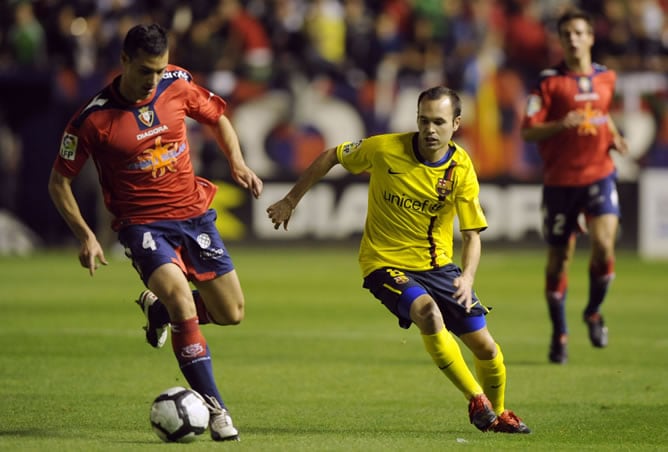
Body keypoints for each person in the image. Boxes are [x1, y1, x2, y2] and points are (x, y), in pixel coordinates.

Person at [267, 86, 530, 434]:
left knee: (486, 347)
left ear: (456, 124)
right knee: (428, 313)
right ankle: (475, 398)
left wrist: (466, 278)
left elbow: (472, 235)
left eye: (439, 122)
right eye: (424, 120)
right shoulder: (384, 148)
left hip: (438, 267)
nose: (430, 130)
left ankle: (497, 414)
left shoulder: (461, 168)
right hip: (383, 262)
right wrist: (290, 199)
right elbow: (332, 155)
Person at [48, 23, 263, 441]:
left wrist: (236, 162)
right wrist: (86, 235)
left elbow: (218, 117)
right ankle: (217, 411)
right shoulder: (91, 119)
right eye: (145, 70)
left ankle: (158, 310)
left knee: (231, 313)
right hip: (142, 226)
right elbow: (59, 182)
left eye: (159, 68)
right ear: (125, 61)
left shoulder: (177, 85)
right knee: (183, 298)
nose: (153, 79)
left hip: (194, 216)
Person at [521, 9, 628, 364]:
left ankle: (594, 312)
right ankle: (560, 333)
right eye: (567, 33)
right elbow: (528, 130)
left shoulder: (606, 77)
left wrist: (614, 135)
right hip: (560, 184)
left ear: (591, 37)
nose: (573, 38)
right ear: (560, 39)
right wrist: (560, 124)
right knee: (558, 263)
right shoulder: (548, 83)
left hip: (599, 174)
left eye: (580, 32)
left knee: (603, 244)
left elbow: (603, 110)